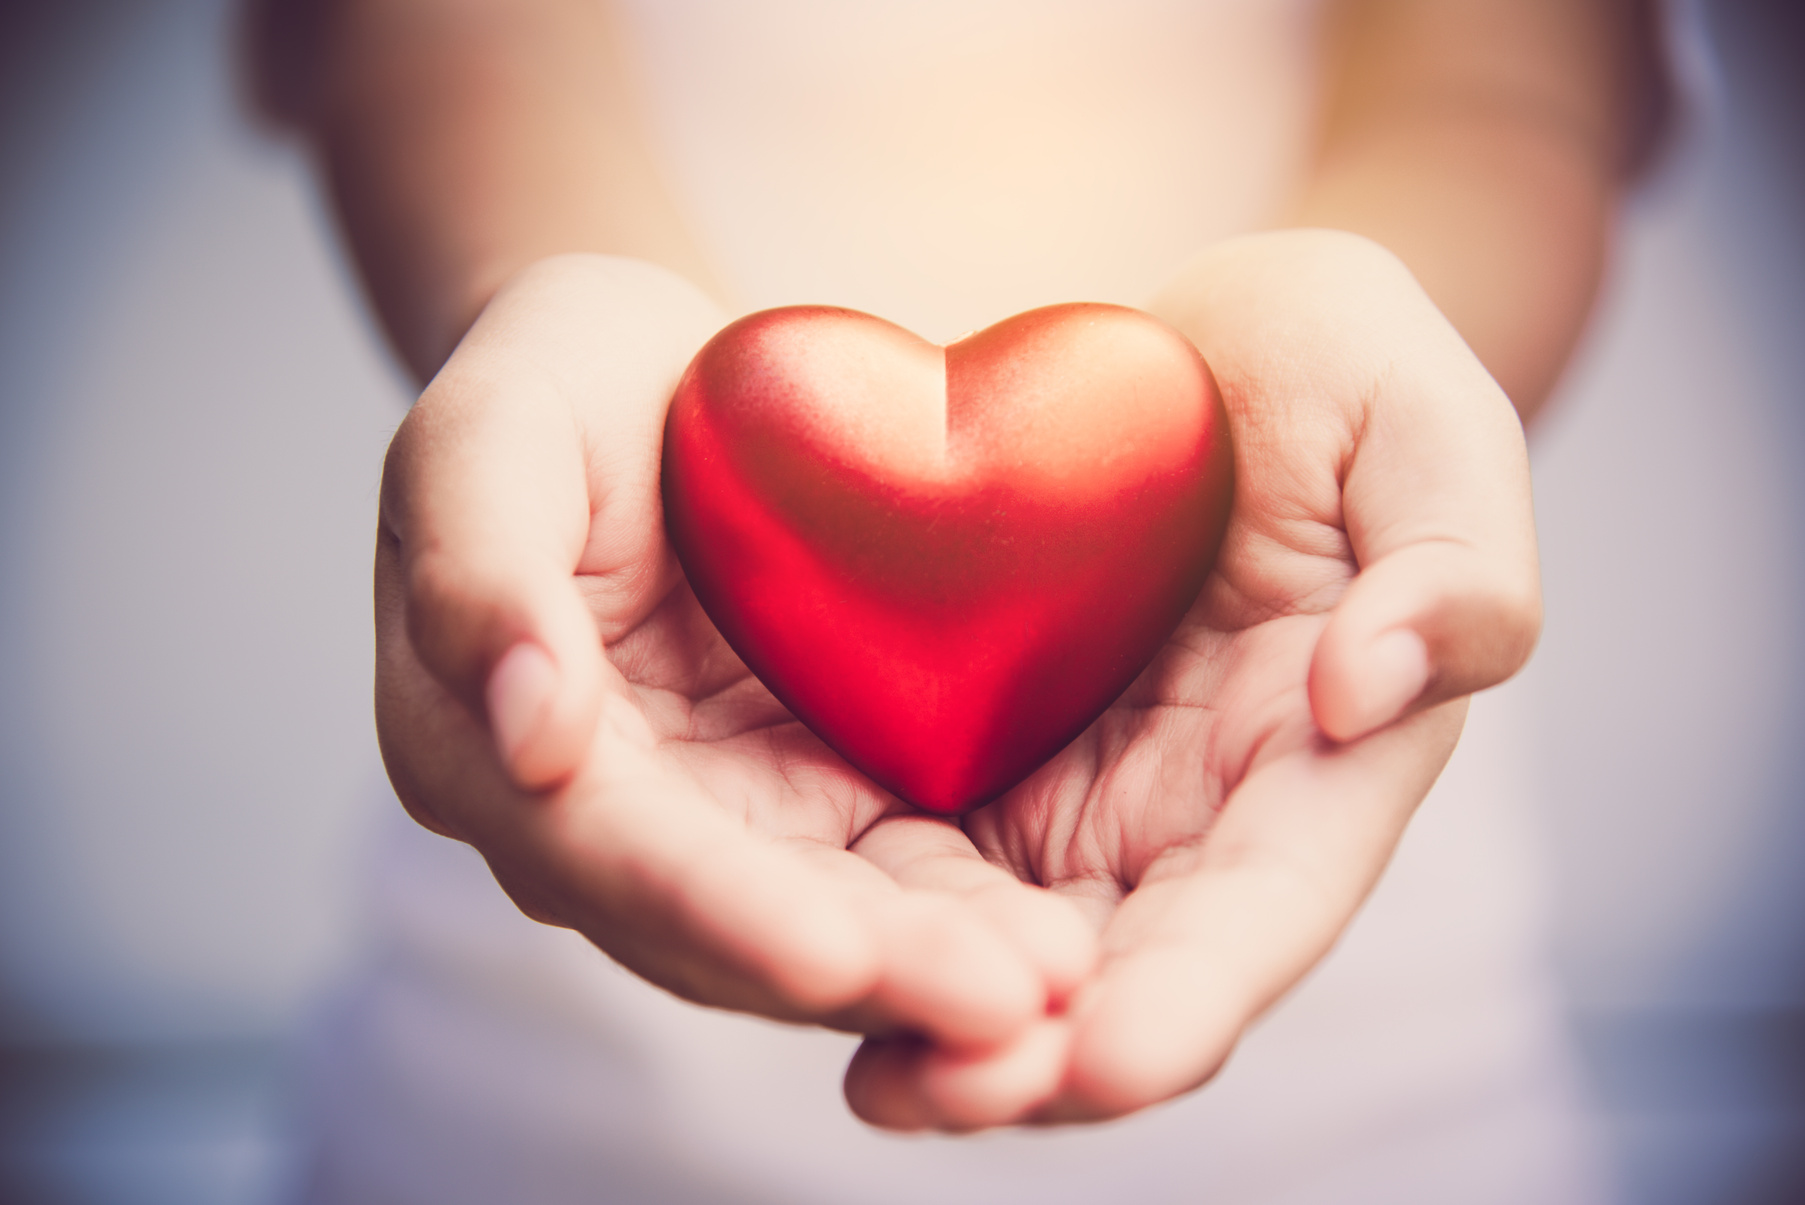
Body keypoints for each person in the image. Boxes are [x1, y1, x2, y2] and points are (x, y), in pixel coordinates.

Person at [250, 0, 1671, 1199]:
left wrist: (1377, 340)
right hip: (525, 1063)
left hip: (1358, 1022)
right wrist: (540, 298)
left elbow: (1515, 78)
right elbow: (427, 39)